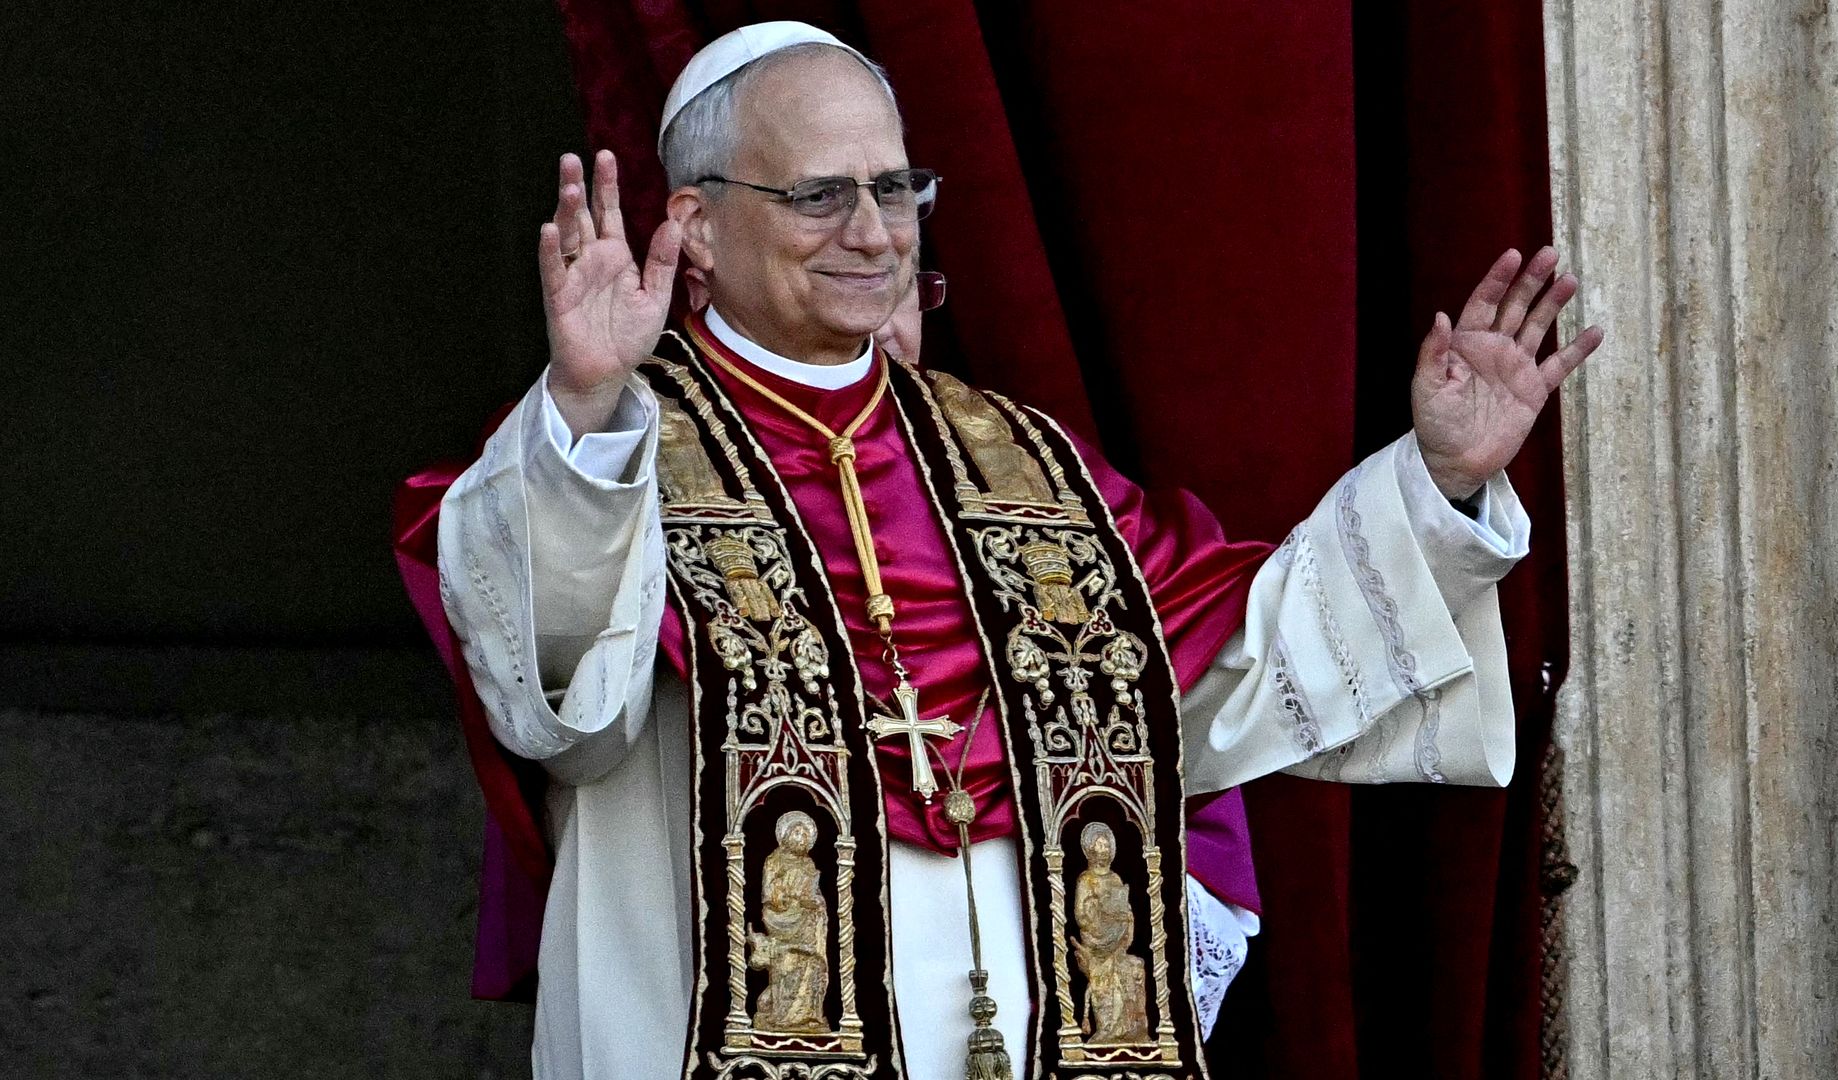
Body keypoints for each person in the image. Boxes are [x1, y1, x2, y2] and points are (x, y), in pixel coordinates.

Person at [434, 20, 1603, 1080]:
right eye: (820, 196)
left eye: (895, 189)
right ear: (694, 228)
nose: (873, 231)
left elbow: (1232, 669)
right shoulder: (614, 449)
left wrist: (1438, 481)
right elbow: (564, 715)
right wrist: (584, 406)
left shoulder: (1025, 465)